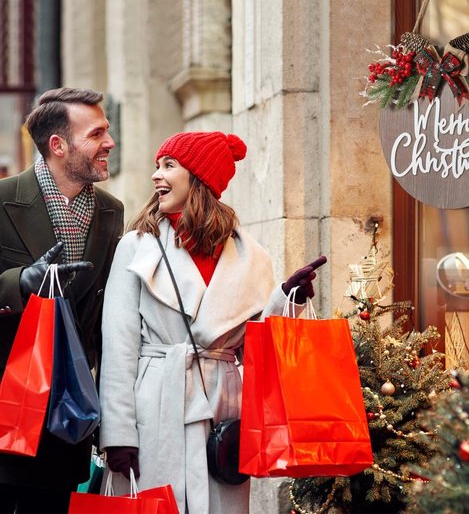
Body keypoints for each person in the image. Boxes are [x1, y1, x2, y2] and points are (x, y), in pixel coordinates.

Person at [99, 131, 326, 513]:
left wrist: (288, 297)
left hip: (224, 408)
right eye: (158, 165)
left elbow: (256, 345)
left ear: (200, 178)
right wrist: (119, 434)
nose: (157, 175)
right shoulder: (137, 246)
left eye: (169, 165)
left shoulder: (249, 254)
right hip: (155, 405)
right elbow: (119, 345)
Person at [0, 87, 124, 513]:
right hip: (6, 415)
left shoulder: (111, 212)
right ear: (57, 145)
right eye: (96, 134)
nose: (109, 143)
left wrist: (115, 419)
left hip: (68, 425)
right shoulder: (2, 201)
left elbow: (111, 320)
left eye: (107, 131)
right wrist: (18, 283)